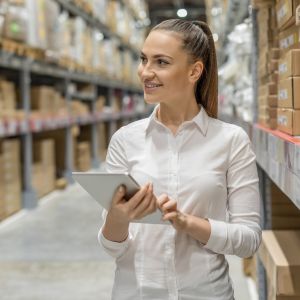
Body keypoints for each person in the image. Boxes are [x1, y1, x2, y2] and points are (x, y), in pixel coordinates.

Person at [98, 19, 261, 300]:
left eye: (161, 62)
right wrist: (118, 217)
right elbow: (113, 247)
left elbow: (248, 241)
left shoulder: (231, 141)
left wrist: (187, 222)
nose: (146, 72)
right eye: (143, 59)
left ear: (194, 71)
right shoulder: (125, 140)